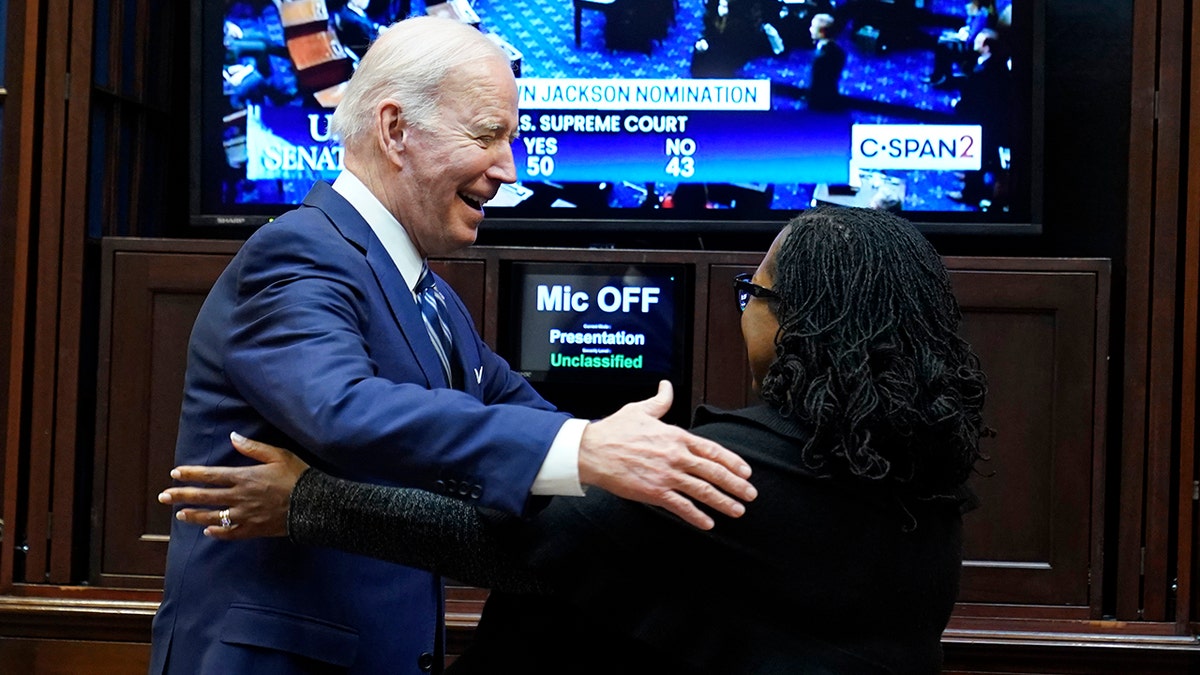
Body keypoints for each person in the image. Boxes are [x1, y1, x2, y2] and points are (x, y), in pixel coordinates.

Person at [149, 16, 756, 675]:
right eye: (488, 135)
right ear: (395, 130)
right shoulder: (300, 250)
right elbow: (342, 409)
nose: (509, 168)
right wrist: (587, 449)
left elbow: (524, 423)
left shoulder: (432, 298)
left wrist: (636, 462)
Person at [163, 206, 990, 674]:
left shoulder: (727, 467)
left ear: (798, 319)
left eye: (752, 291)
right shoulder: (925, 476)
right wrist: (586, 438)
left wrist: (308, 499)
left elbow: (513, 547)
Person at [950, 28, 1011, 206]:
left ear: (986, 47)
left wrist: (958, 106)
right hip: (991, 121)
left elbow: (975, 101)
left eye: (977, 40)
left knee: (978, 155)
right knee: (982, 155)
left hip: (984, 124)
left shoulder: (984, 72)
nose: (973, 41)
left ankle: (970, 193)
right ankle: (969, 179)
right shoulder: (994, 63)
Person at [926, 0, 998, 88]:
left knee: (943, 45)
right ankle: (939, 75)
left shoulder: (982, 16)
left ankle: (940, 77)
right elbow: (970, 28)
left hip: (972, 49)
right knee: (944, 39)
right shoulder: (978, 14)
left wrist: (958, 36)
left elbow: (970, 39)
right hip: (968, 42)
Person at [806, 13, 846, 111]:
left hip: (822, 99)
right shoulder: (835, 50)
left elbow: (821, 81)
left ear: (822, 32)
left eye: (813, 27)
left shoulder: (826, 55)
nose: (810, 29)